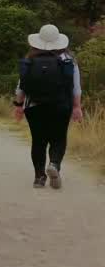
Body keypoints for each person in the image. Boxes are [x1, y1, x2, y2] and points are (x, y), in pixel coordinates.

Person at [13, 24, 84, 189]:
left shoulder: (30, 60)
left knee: (38, 141)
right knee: (58, 138)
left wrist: (18, 105)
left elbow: (21, 87)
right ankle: (54, 164)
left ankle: (39, 177)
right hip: (61, 106)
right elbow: (76, 88)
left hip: (34, 107)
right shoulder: (68, 61)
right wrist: (76, 107)